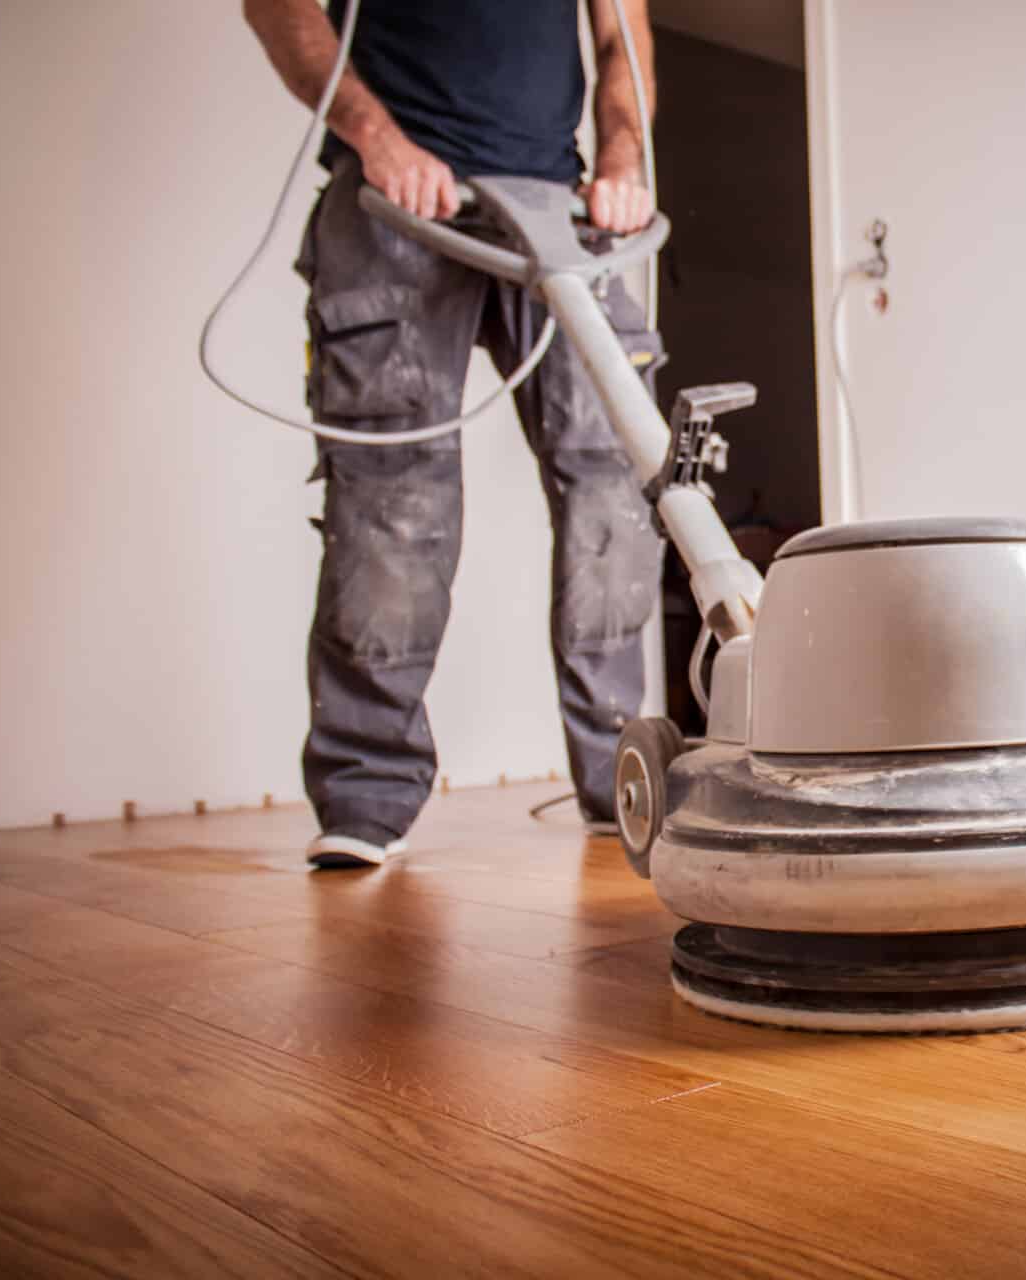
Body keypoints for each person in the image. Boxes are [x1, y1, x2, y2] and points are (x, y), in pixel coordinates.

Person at [243, 0, 662, 868]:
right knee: (395, 503)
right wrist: (375, 137)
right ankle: (366, 793)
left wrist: (623, 156)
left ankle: (620, 776)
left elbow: (622, 35)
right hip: (397, 190)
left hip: (560, 206)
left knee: (616, 488)